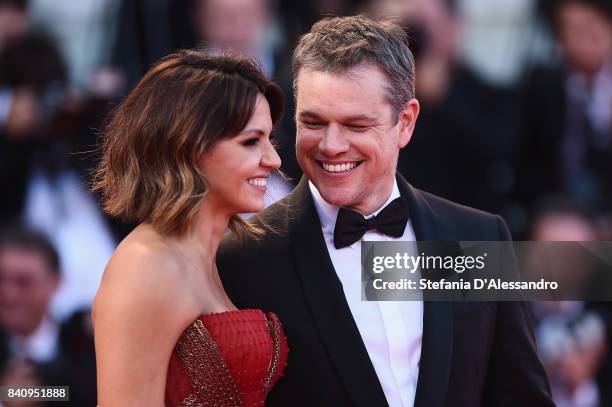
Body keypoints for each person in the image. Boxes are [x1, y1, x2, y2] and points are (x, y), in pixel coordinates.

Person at [217, 15, 555, 406]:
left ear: (405, 123)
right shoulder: (245, 257)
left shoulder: (477, 237)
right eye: (313, 122)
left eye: (356, 125)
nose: (331, 145)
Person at [92, 50, 288, 406]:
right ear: (188, 146)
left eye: (269, 139)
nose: (273, 160)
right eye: (250, 142)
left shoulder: (215, 258)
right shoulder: (146, 265)